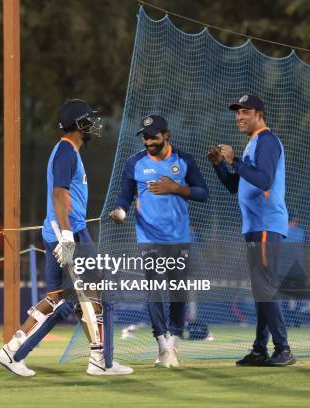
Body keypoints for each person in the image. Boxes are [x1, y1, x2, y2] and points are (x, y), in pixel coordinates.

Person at [0, 99, 133, 376]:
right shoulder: (67, 152)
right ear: (79, 124)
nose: (93, 125)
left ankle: (10, 351)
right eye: (89, 120)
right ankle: (99, 361)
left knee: (59, 298)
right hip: (69, 231)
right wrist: (68, 235)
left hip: (60, 230)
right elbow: (59, 194)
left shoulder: (66, 152)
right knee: (93, 292)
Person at [109, 114, 209, 368]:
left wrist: (176, 188)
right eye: (144, 137)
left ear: (167, 135)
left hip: (179, 239)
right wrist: (120, 212)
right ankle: (162, 346)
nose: (148, 142)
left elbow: (202, 193)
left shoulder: (184, 160)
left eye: (153, 136)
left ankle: (174, 343)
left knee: (177, 292)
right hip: (149, 238)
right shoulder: (135, 163)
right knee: (154, 291)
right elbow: (124, 196)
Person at [208, 94, 294, 366]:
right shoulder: (252, 144)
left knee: (265, 288)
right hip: (256, 227)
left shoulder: (266, 140)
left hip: (267, 225)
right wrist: (220, 165)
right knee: (261, 289)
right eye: (237, 113)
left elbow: (265, 180)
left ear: (259, 114)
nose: (239, 117)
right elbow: (237, 185)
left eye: (245, 112)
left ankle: (284, 349)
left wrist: (235, 161)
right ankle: (260, 349)